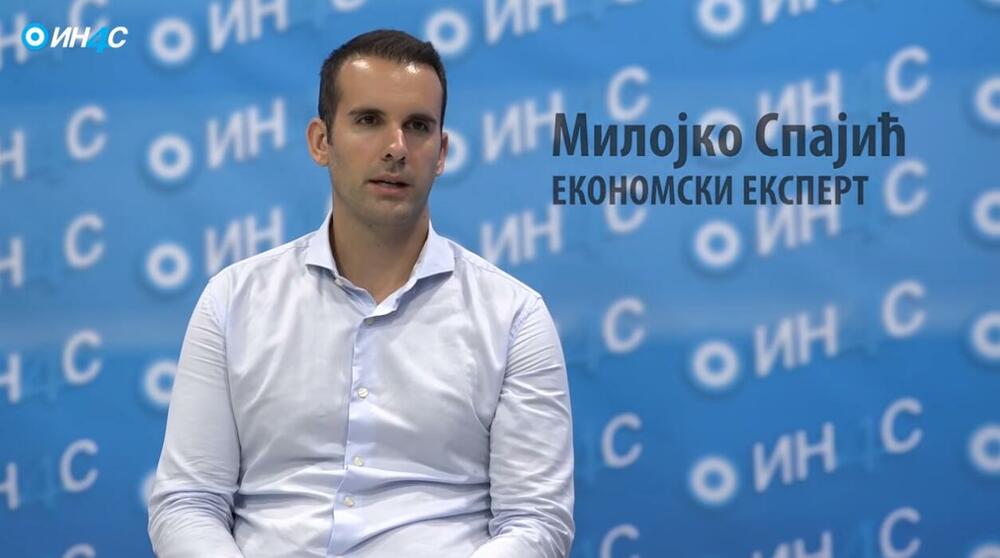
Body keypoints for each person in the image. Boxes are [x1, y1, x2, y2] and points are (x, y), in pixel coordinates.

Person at [147, 29, 575, 558]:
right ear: (320, 141)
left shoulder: (514, 317)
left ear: (441, 152)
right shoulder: (233, 300)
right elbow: (188, 501)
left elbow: (536, 522)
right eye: (369, 120)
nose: (396, 148)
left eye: (417, 126)